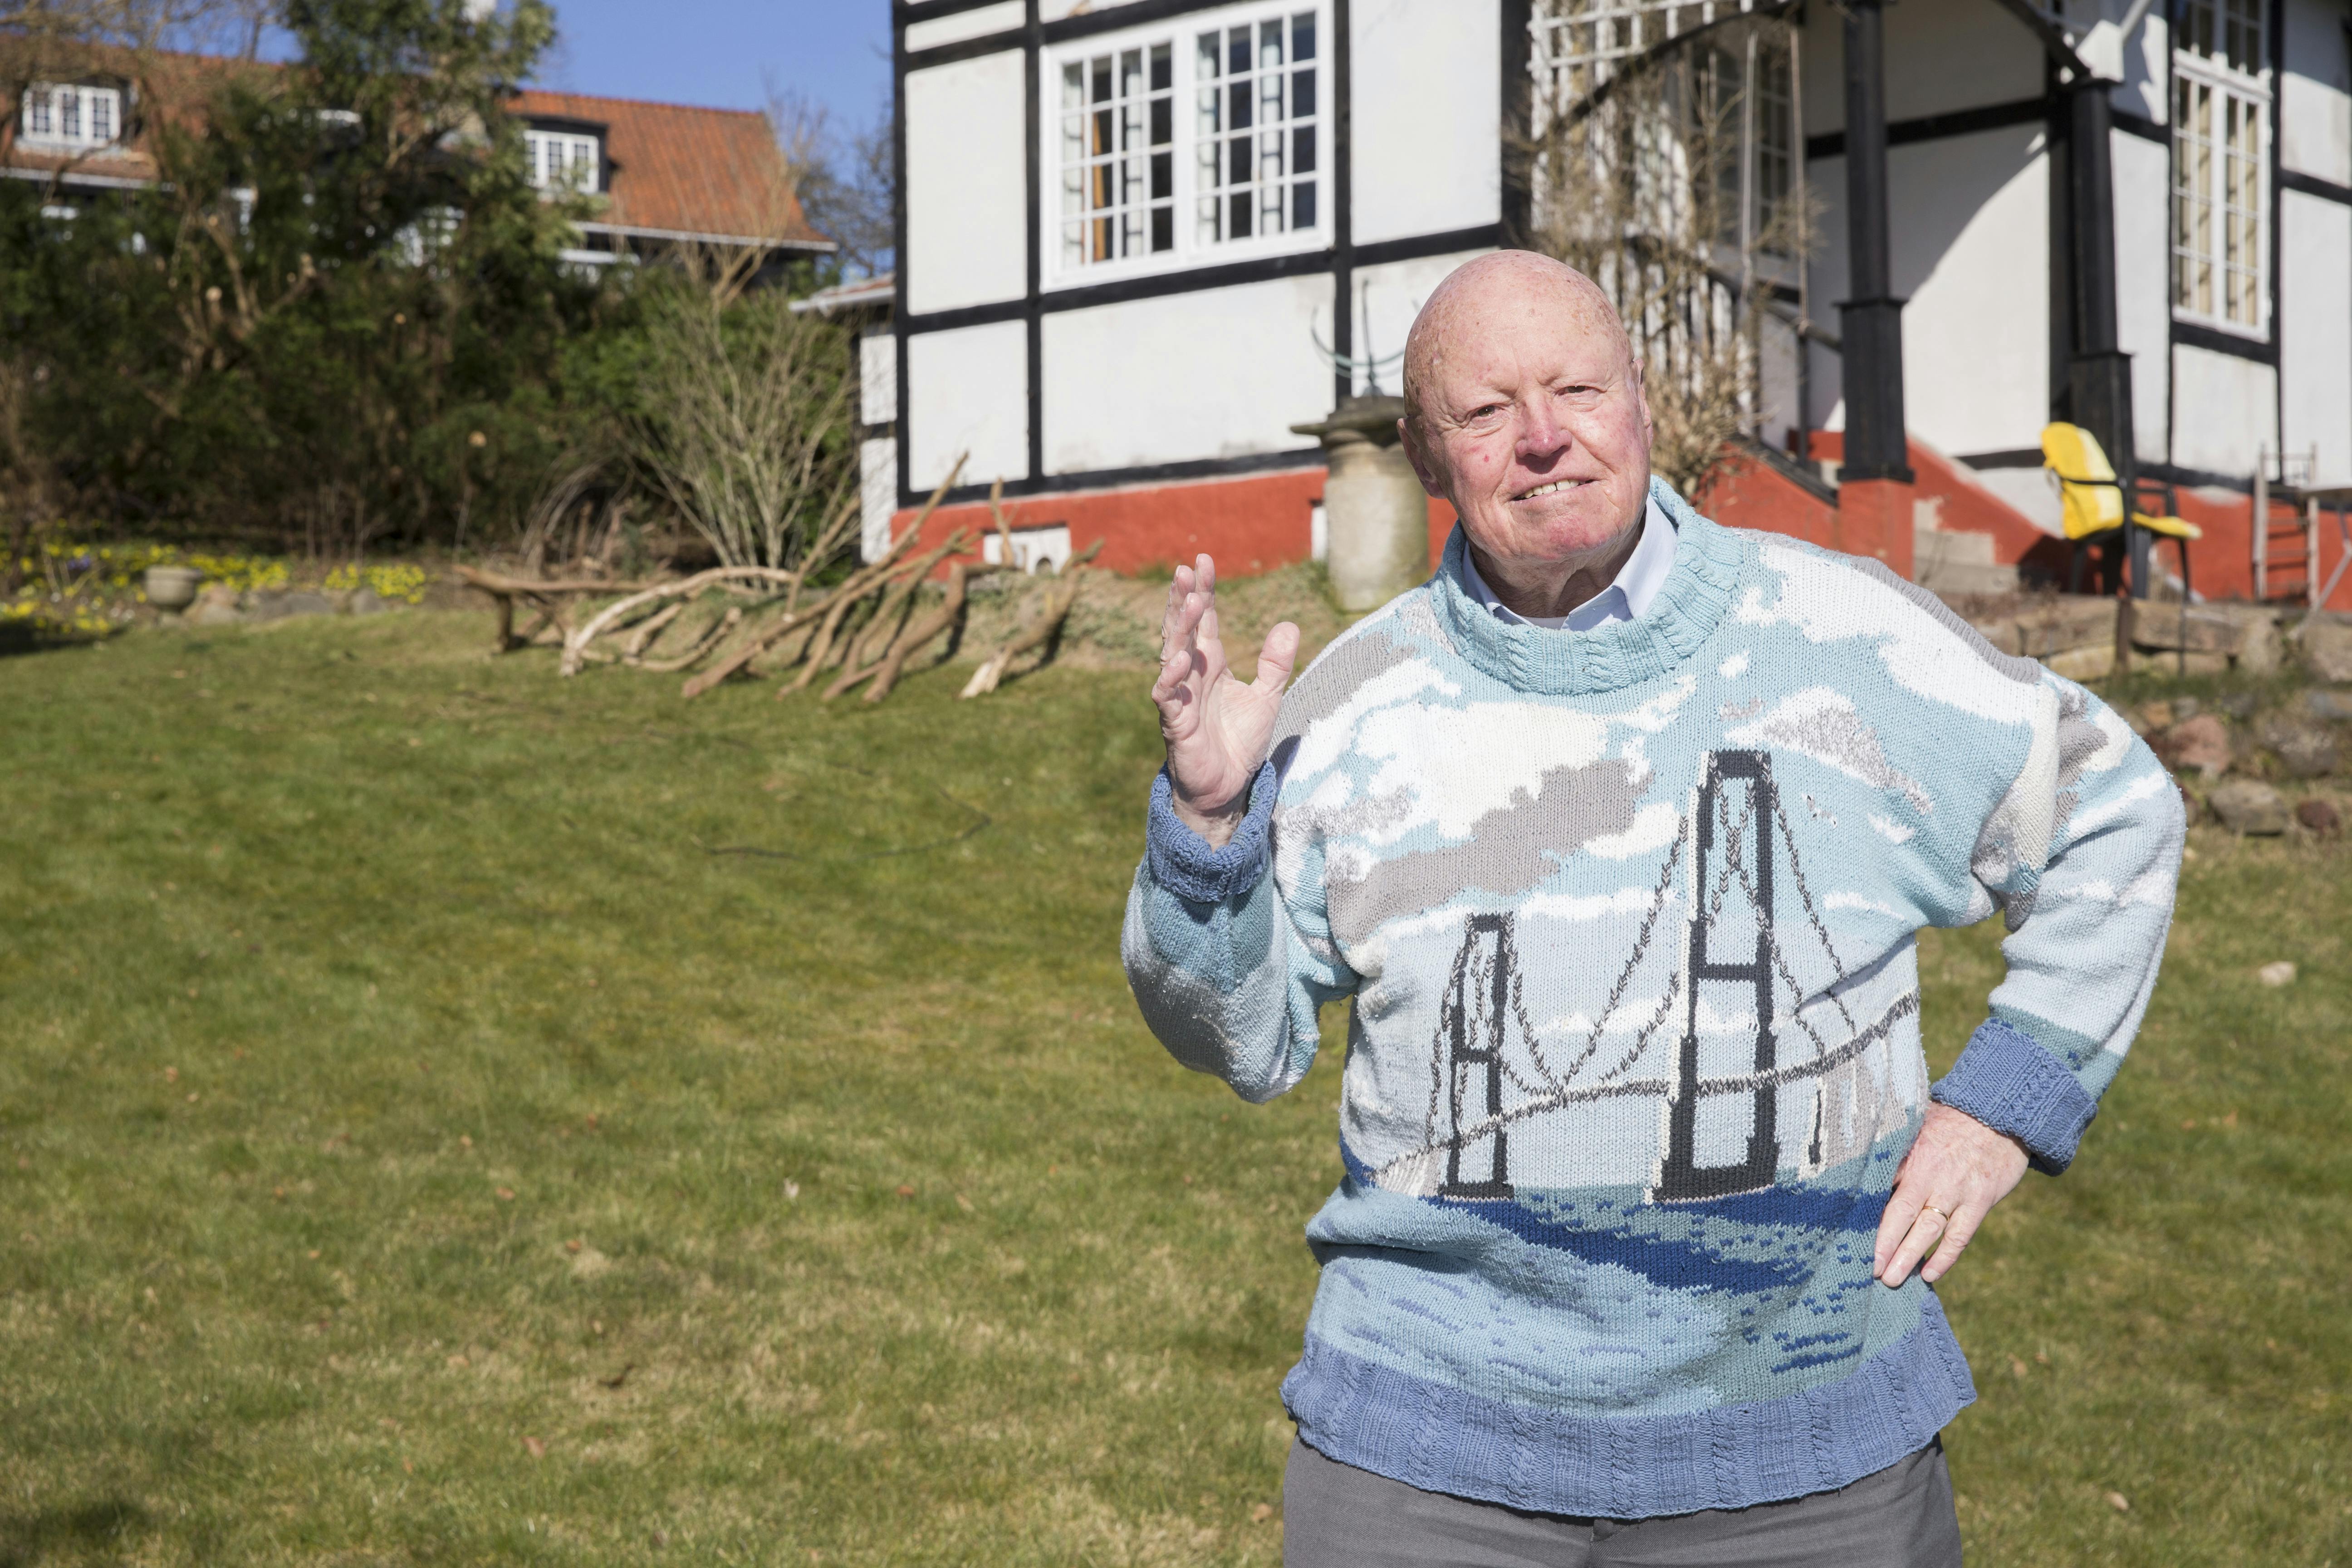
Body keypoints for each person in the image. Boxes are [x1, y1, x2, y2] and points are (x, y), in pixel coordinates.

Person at [1121, 251, 2182, 1565]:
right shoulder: (1349, 704)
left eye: (1578, 388)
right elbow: (1235, 1035)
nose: (1545, 437)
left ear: (1641, 401)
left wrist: (2005, 1105)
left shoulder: (1843, 639)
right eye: (1488, 411)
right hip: (1424, 1458)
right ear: (1427, 455)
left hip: (1809, 1451)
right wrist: (1209, 836)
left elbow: (2113, 812)